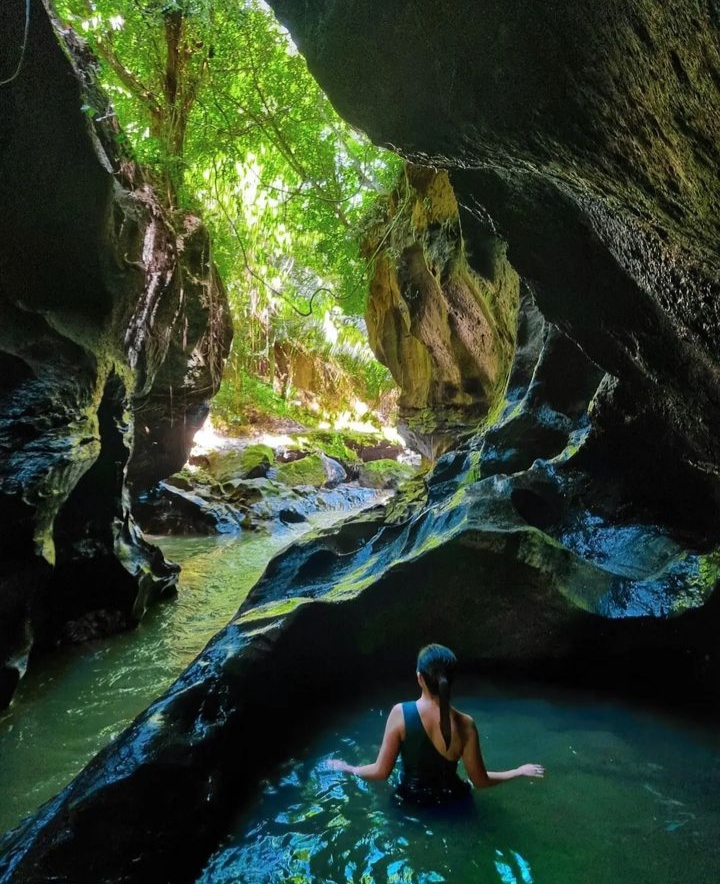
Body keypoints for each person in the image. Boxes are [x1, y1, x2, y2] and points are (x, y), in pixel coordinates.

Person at [327, 644, 545, 805]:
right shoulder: (466, 724)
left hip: (411, 803)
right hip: (454, 804)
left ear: (420, 678)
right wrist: (518, 771)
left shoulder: (400, 714)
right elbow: (480, 780)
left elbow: (380, 772)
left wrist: (348, 768)